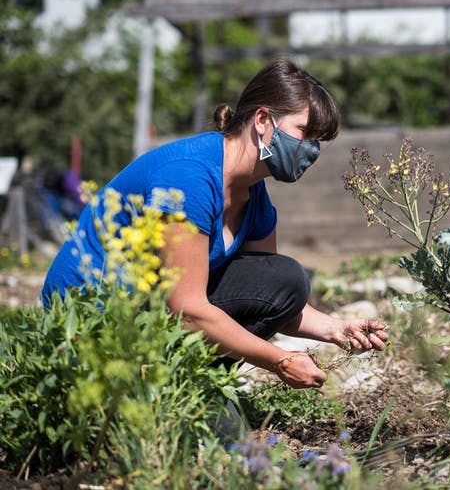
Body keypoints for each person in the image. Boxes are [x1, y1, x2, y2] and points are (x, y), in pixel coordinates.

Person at [41, 59, 389, 389]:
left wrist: (336, 329)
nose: (311, 150)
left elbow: (268, 297)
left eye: (318, 141)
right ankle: (173, 388)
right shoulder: (189, 178)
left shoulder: (255, 198)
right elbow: (187, 308)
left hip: (151, 315)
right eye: (304, 133)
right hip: (90, 326)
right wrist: (280, 361)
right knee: (222, 437)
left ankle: (189, 385)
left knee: (287, 279)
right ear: (263, 120)